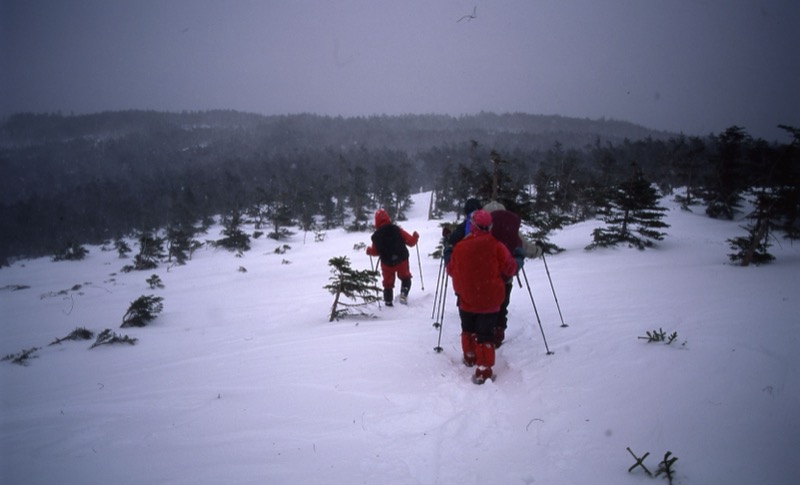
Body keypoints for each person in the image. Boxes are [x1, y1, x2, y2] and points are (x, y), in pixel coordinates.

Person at [447, 209, 517, 384]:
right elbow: (510, 268)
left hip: (466, 298)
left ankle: (470, 356)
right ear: (489, 226)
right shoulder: (497, 246)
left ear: (472, 225)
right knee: (485, 335)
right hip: (490, 300)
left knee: (468, 329)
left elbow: (450, 270)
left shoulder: (460, 247)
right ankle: (483, 370)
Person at [482, 200, 543, 347]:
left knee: (484, 306)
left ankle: (483, 335)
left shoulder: (482, 229)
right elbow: (526, 247)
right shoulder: (511, 230)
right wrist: (539, 250)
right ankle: (498, 332)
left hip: (484, 276)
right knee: (502, 305)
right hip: (505, 276)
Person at [366, 209, 419, 306]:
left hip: (387, 263)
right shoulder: (397, 229)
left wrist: (369, 251)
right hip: (401, 259)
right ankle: (404, 293)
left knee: (388, 283)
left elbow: (375, 251)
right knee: (405, 277)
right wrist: (415, 237)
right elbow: (411, 242)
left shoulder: (376, 236)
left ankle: (388, 302)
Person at [442, 197, 482, 265]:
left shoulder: (468, 223)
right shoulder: (487, 221)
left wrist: (448, 236)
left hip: (468, 261)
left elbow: (453, 239)